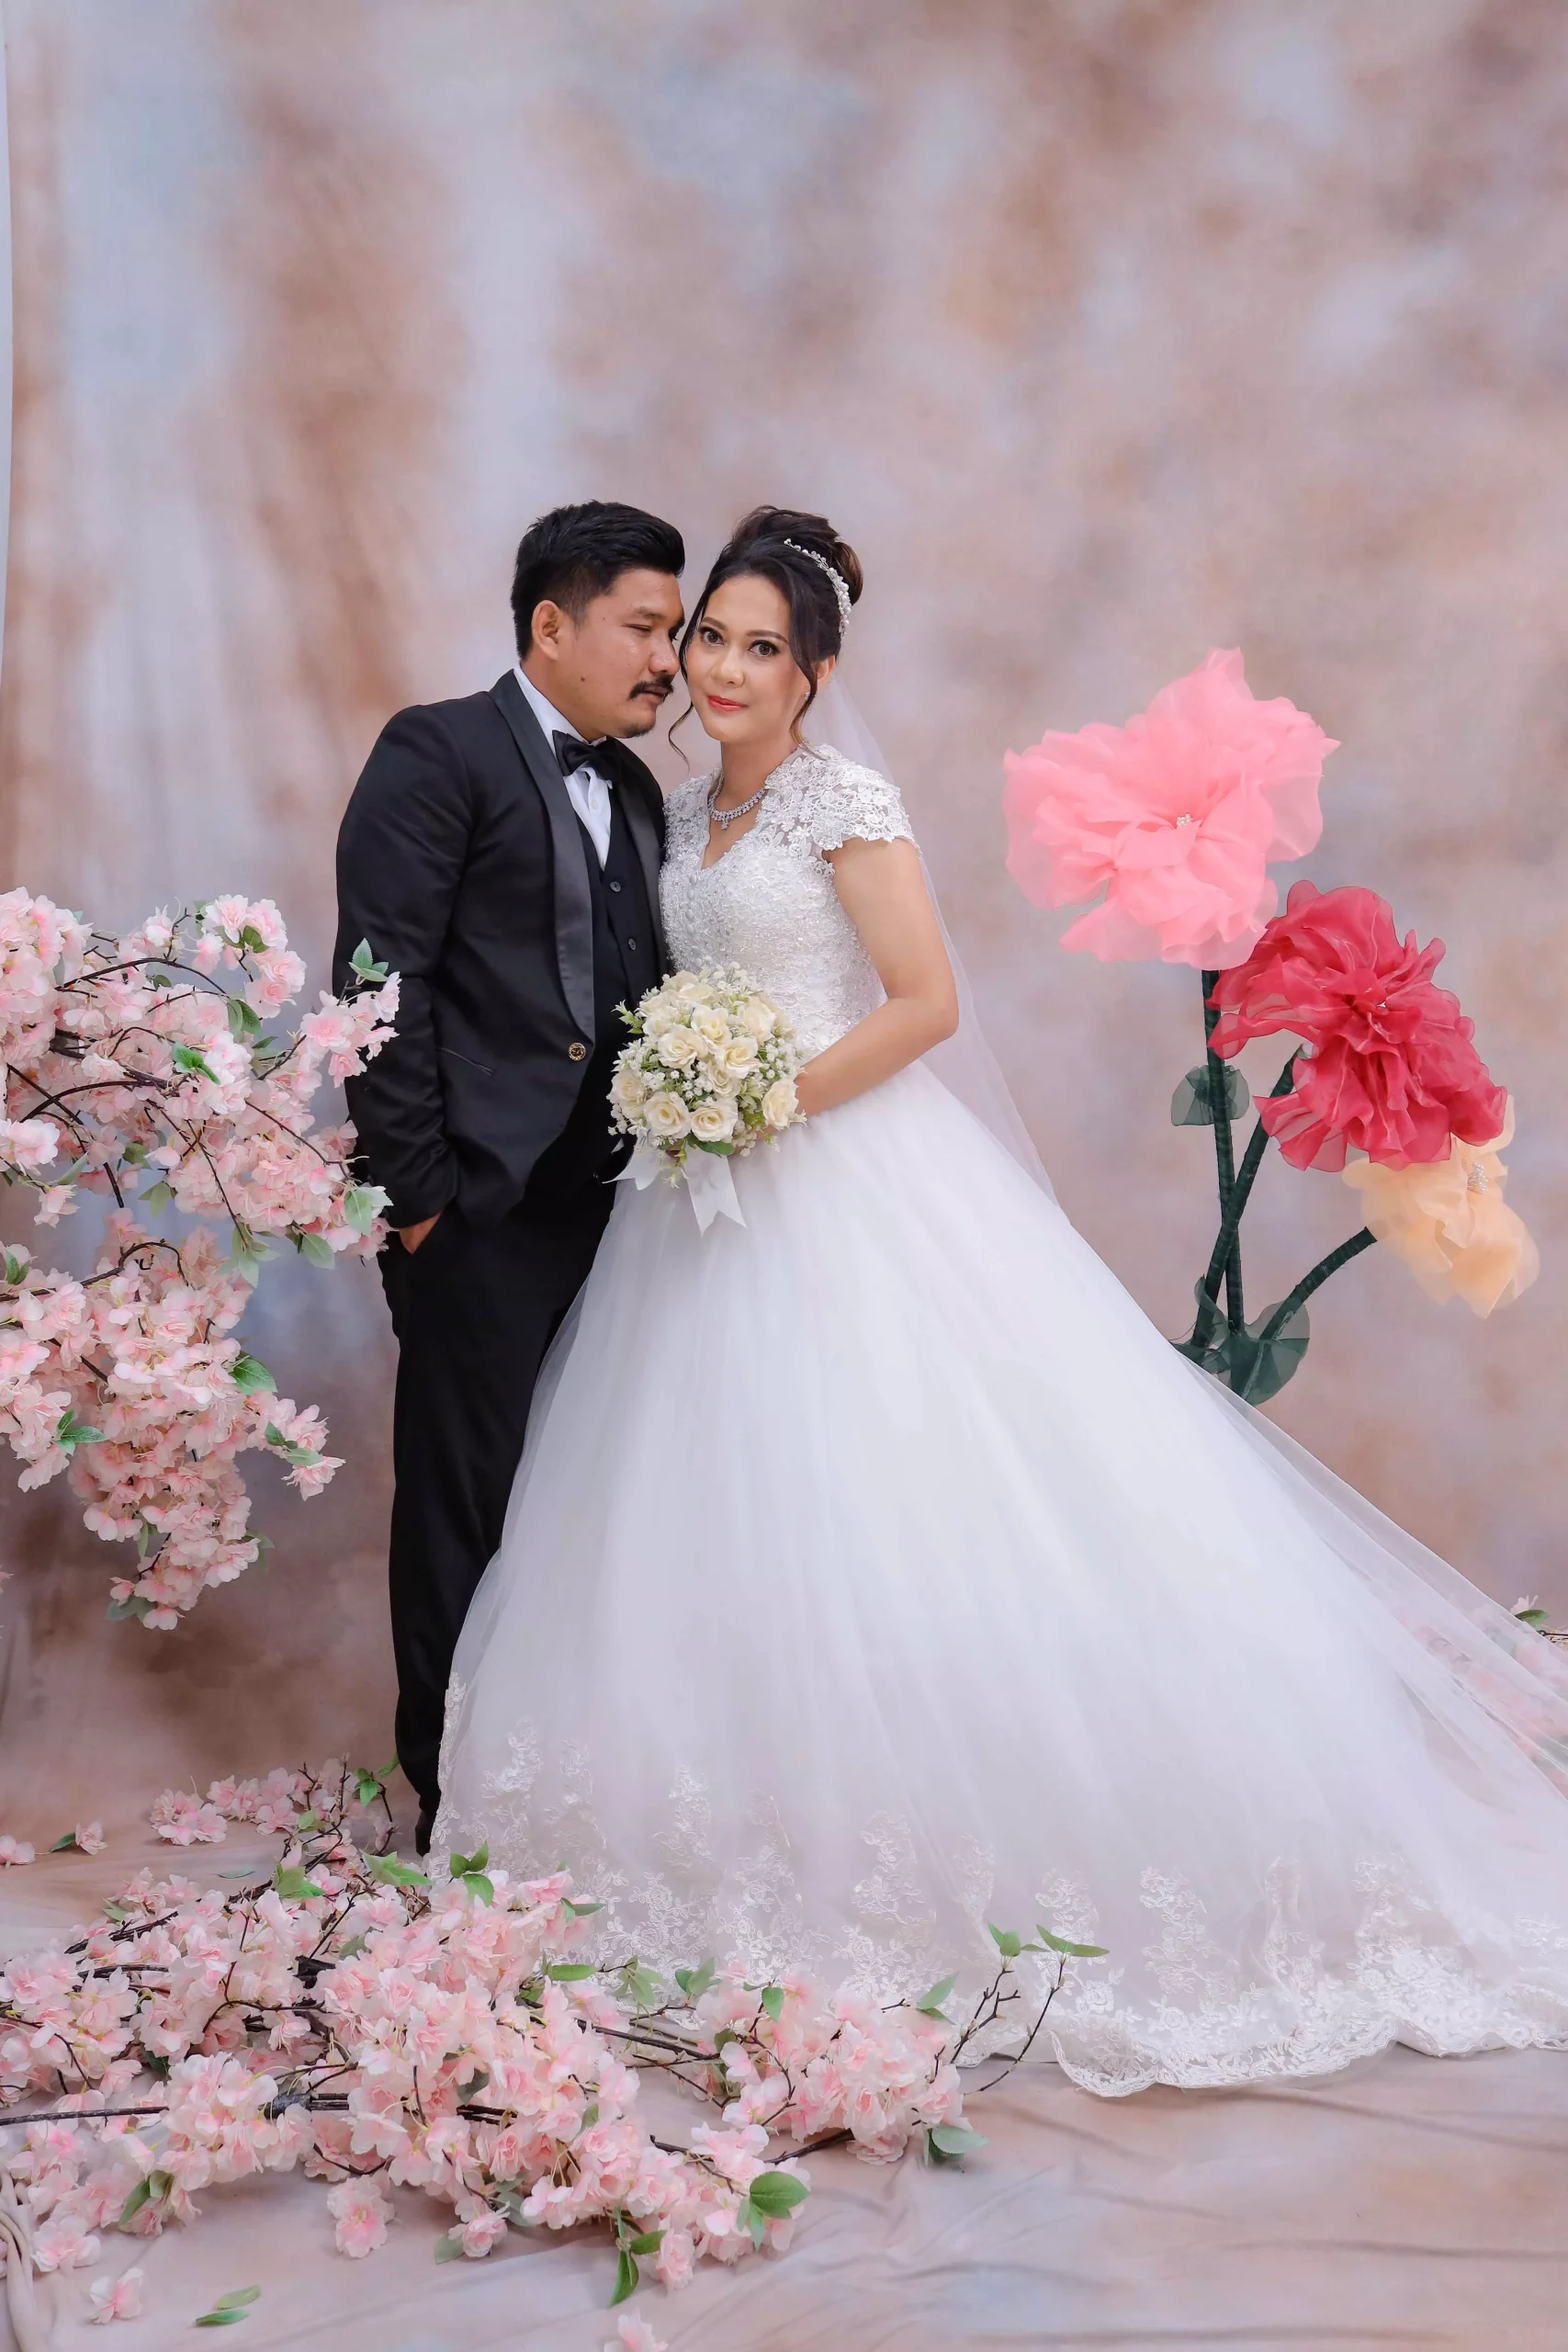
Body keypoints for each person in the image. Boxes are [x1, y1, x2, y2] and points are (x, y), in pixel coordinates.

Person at [434, 504, 1568, 2094]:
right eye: (708, 640)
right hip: (694, 1199)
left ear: (816, 676)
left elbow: (925, 1004)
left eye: (763, 647)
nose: (725, 668)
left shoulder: (845, 804)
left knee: (903, 1494)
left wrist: (765, 1100)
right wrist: (691, 1100)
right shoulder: (674, 812)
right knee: (706, 1503)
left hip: (832, 1167)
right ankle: (745, 1821)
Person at [333, 500, 684, 1852]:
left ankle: (571, 1798)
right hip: (481, 1210)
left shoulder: (637, 791)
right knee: (464, 1508)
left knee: (599, 1501)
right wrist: (423, 1201)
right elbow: (380, 984)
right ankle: (453, 1808)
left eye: (672, 631)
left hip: (630, 1216)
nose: (667, 661)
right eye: (643, 628)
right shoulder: (438, 750)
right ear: (551, 624)